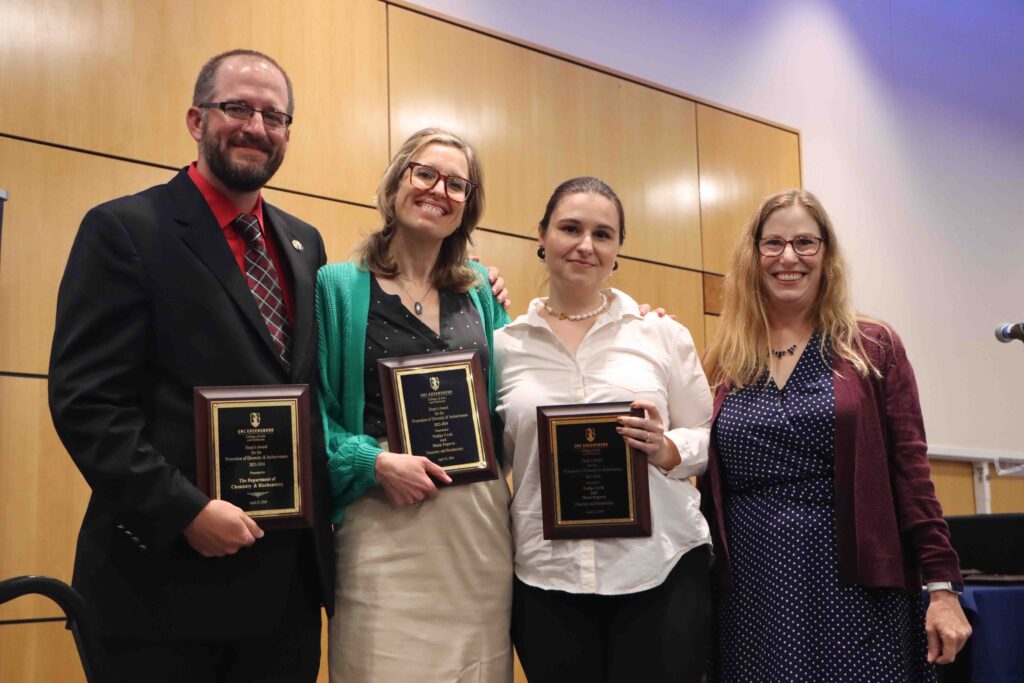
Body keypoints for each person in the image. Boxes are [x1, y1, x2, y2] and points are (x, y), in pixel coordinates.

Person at [47, 50, 334, 682]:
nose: (256, 126)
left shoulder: (304, 242)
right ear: (195, 118)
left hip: (283, 593)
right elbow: (87, 402)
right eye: (236, 107)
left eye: (274, 115)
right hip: (162, 590)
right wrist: (182, 511)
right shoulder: (124, 229)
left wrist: (476, 281)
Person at [699, 189, 972, 681]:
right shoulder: (722, 360)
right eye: (773, 243)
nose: (789, 257)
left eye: (806, 242)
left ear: (827, 254)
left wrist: (943, 586)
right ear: (753, 253)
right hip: (751, 587)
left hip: (857, 584)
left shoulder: (871, 345)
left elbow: (912, 475)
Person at [494, 177, 715, 683]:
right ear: (542, 236)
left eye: (603, 234)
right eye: (570, 228)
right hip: (546, 576)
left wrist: (668, 449)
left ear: (618, 250)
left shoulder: (659, 333)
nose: (585, 245)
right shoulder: (502, 346)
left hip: (660, 568)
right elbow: (495, 460)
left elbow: (706, 435)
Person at [315, 127, 513, 683]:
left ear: (467, 206)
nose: (438, 191)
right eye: (425, 174)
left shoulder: (480, 293)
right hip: (382, 519)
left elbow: (517, 399)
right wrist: (370, 463)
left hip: (477, 530)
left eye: (457, 184)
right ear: (397, 179)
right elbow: (315, 411)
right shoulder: (335, 286)